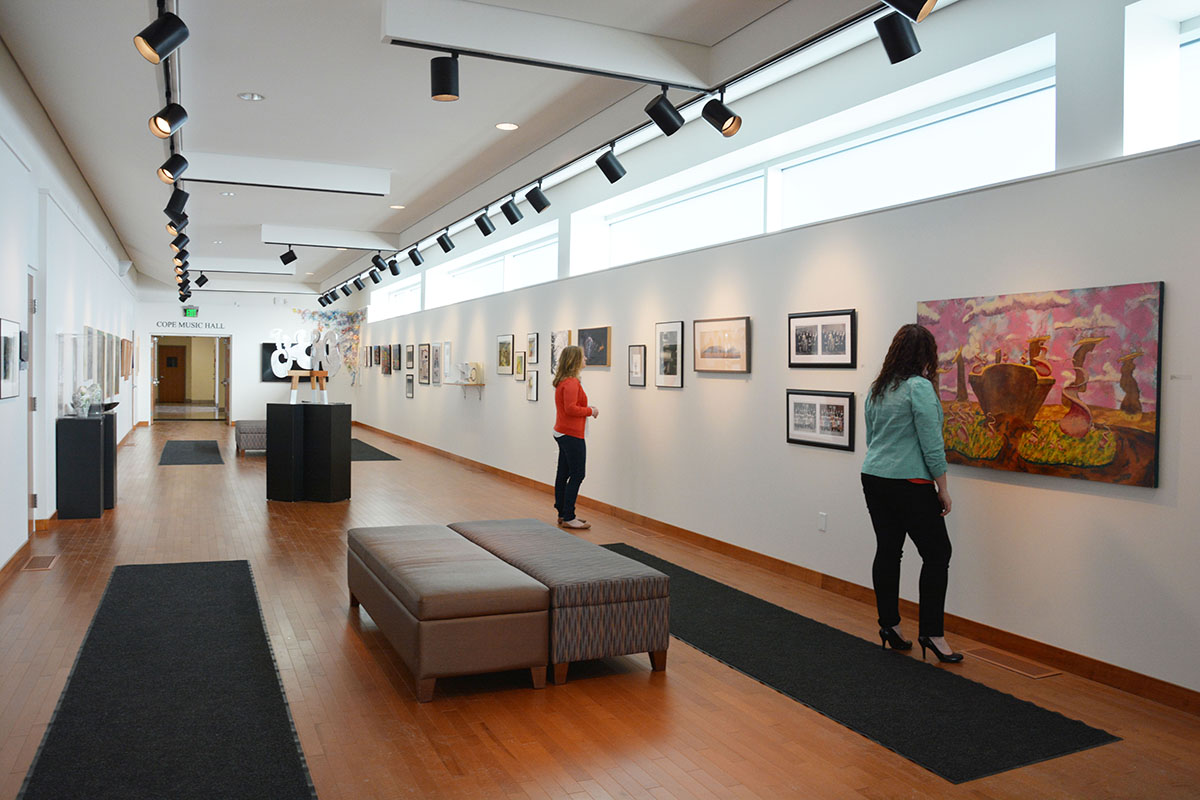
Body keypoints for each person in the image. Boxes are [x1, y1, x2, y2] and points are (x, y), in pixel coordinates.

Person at [861, 323, 962, 663]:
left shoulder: (879, 388)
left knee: (889, 550)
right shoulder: (919, 388)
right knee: (937, 554)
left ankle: (889, 625)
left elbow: (871, 438)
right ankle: (932, 634)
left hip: (874, 476)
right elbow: (932, 444)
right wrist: (943, 488)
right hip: (910, 482)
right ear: (927, 356)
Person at [552, 345, 598, 530]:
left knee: (563, 473)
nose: (586, 359)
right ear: (575, 360)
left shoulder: (565, 381)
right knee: (578, 473)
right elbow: (571, 408)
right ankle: (569, 515)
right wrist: (591, 411)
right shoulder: (571, 382)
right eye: (583, 357)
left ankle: (563, 513)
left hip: (563, 431)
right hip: (571, 433)